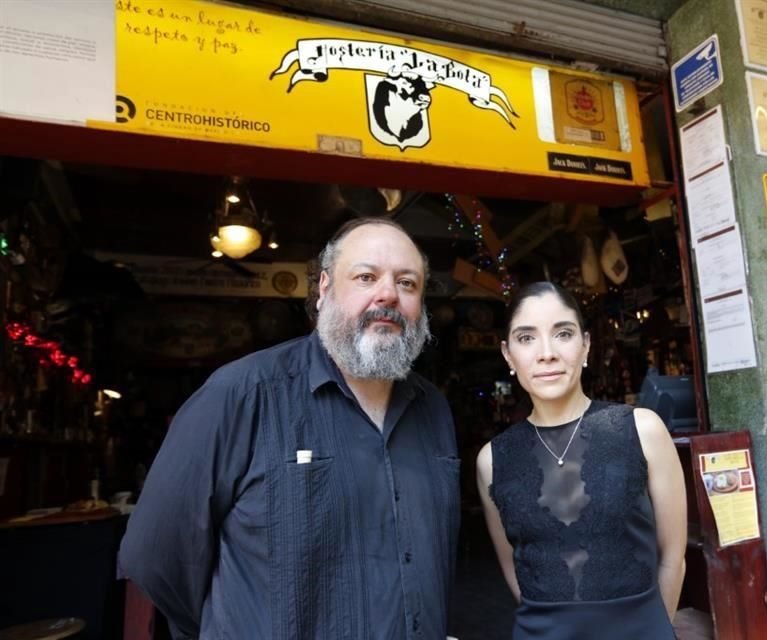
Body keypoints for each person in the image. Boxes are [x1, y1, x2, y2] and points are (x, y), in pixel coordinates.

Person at [119, 217, 460, 640]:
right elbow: (154, 557)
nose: (388, 294)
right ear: (324, 289)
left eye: (407, 283)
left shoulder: (434, 410)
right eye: (366, 276)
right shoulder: (240, 394)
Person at [476, 282, 686, 639]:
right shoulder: (493, 459)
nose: (547, 353)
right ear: (508, 355)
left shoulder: (641, 430)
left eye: (563, 333)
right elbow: (518, 571)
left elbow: (673, 558)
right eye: (526, 338)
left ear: (586, 345)